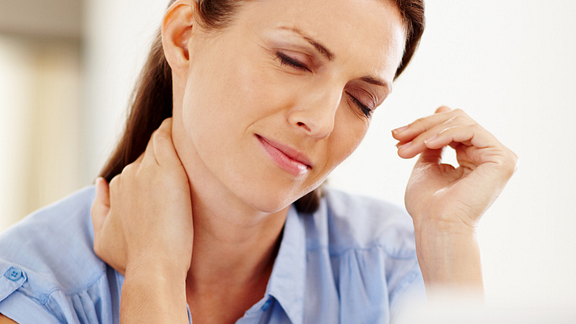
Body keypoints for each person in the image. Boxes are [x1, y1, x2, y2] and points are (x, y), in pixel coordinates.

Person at [0, 0, 518, 323]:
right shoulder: (35, 287)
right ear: (185, 37)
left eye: (361, 100)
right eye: (294, 60)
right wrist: (154, 278)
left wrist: (449, 240)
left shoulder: (390, 266)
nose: (320, 120)